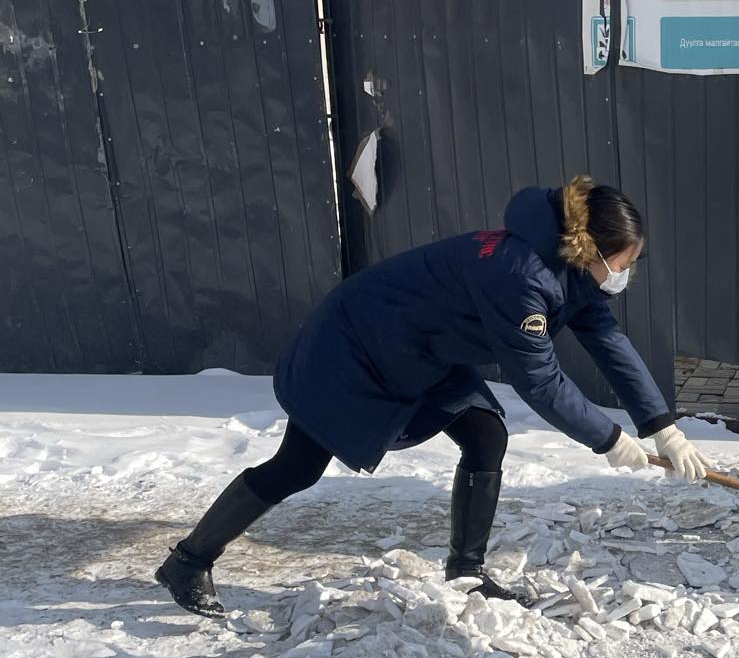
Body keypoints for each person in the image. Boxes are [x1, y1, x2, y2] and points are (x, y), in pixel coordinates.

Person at [155, 177, 706, 617]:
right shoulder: (522, 279)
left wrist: (663, 426)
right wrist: (608, 439)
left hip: (418, 347)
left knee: (485, 431)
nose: (625, 273)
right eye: (625, 262)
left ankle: (466, 570)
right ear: (593, 251)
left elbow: (606, 339)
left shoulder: (565, 268)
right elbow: (539, 380)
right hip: (352, 348)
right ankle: (188, 561)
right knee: (297, 465)